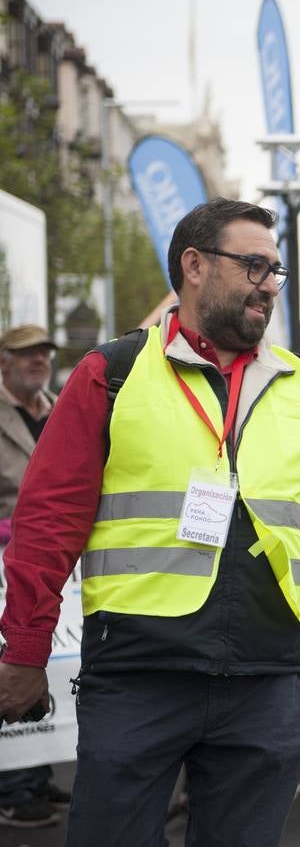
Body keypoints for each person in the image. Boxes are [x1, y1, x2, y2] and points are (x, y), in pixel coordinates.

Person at [0, 198, 300, 845]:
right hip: (140, 674)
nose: (268, 285)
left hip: (266, 677)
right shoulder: (110, 375)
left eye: (275, 271)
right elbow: (47, 524)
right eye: (253, 265)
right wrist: (26, 650)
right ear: (193, 265)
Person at [0, 324, 64, 829]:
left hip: (53, 561)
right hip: (3, 560)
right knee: (13, 663)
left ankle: (37, 777)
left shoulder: (62, 406)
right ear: (4, 361)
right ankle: (15, 787)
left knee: (50, 662)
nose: (38, 360)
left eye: (43, 352)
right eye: (27, 353)